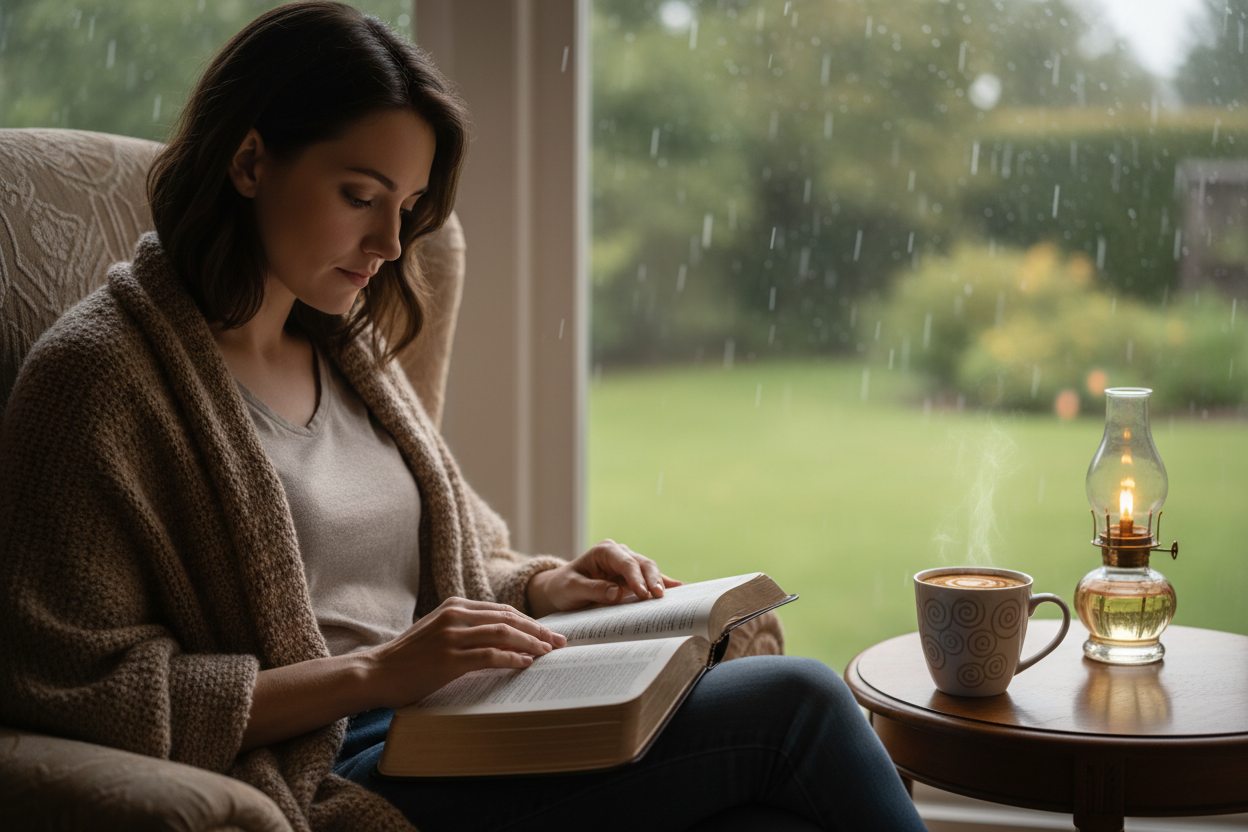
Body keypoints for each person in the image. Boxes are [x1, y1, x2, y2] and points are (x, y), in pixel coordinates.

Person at [0, 3, 927, 831]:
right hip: (339, 761)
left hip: (459, 714)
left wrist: (546, 587)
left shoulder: (343, 347)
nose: (390, 244)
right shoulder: (99, 380)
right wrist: (374, 677)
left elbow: (446, 569)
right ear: (249, 161)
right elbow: (84, 693)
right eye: (359, 196)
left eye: (404, 207)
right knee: (795, 703)